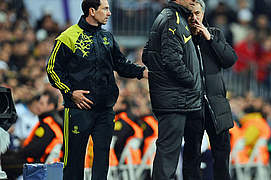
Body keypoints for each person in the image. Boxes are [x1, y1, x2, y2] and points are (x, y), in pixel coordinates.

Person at [45, 0, 148, 179]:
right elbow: (52, 69)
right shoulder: (67, 37)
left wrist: (143, 72)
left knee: (102, 160)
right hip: (78, 110)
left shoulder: (107, 37)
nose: (109, 13)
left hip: (105, 110)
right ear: (92, 11)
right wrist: (70, 93)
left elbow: (121, 64)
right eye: (105, 9)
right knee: (74, 161)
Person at [142, 0, 203, 179]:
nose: (193, 0)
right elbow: (171, 60)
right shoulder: (172, 20)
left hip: (177, 98)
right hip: (175, 99)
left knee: (170, 152)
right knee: (168, 155)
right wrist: (191, 80)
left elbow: (147, 54)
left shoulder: (172, 18)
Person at [186, 0, 238, 179]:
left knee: (221, 155)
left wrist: (210, 38)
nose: (194, 18)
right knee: (192, 156)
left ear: (204, 14)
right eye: (190, 14)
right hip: (193, 105)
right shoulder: (181, 38)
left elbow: (230, 59)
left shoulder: (215, 34)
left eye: (197, 13)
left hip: (217, 105)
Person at [1, 91, 63, 179]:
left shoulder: (48, 124)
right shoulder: (52, 122)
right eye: (38, 102)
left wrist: (16, 155)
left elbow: (33, 150)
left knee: (3, 162)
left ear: (51, 106)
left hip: (39, 166)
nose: (38, 105)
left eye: (42, 104)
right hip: (48, 165)